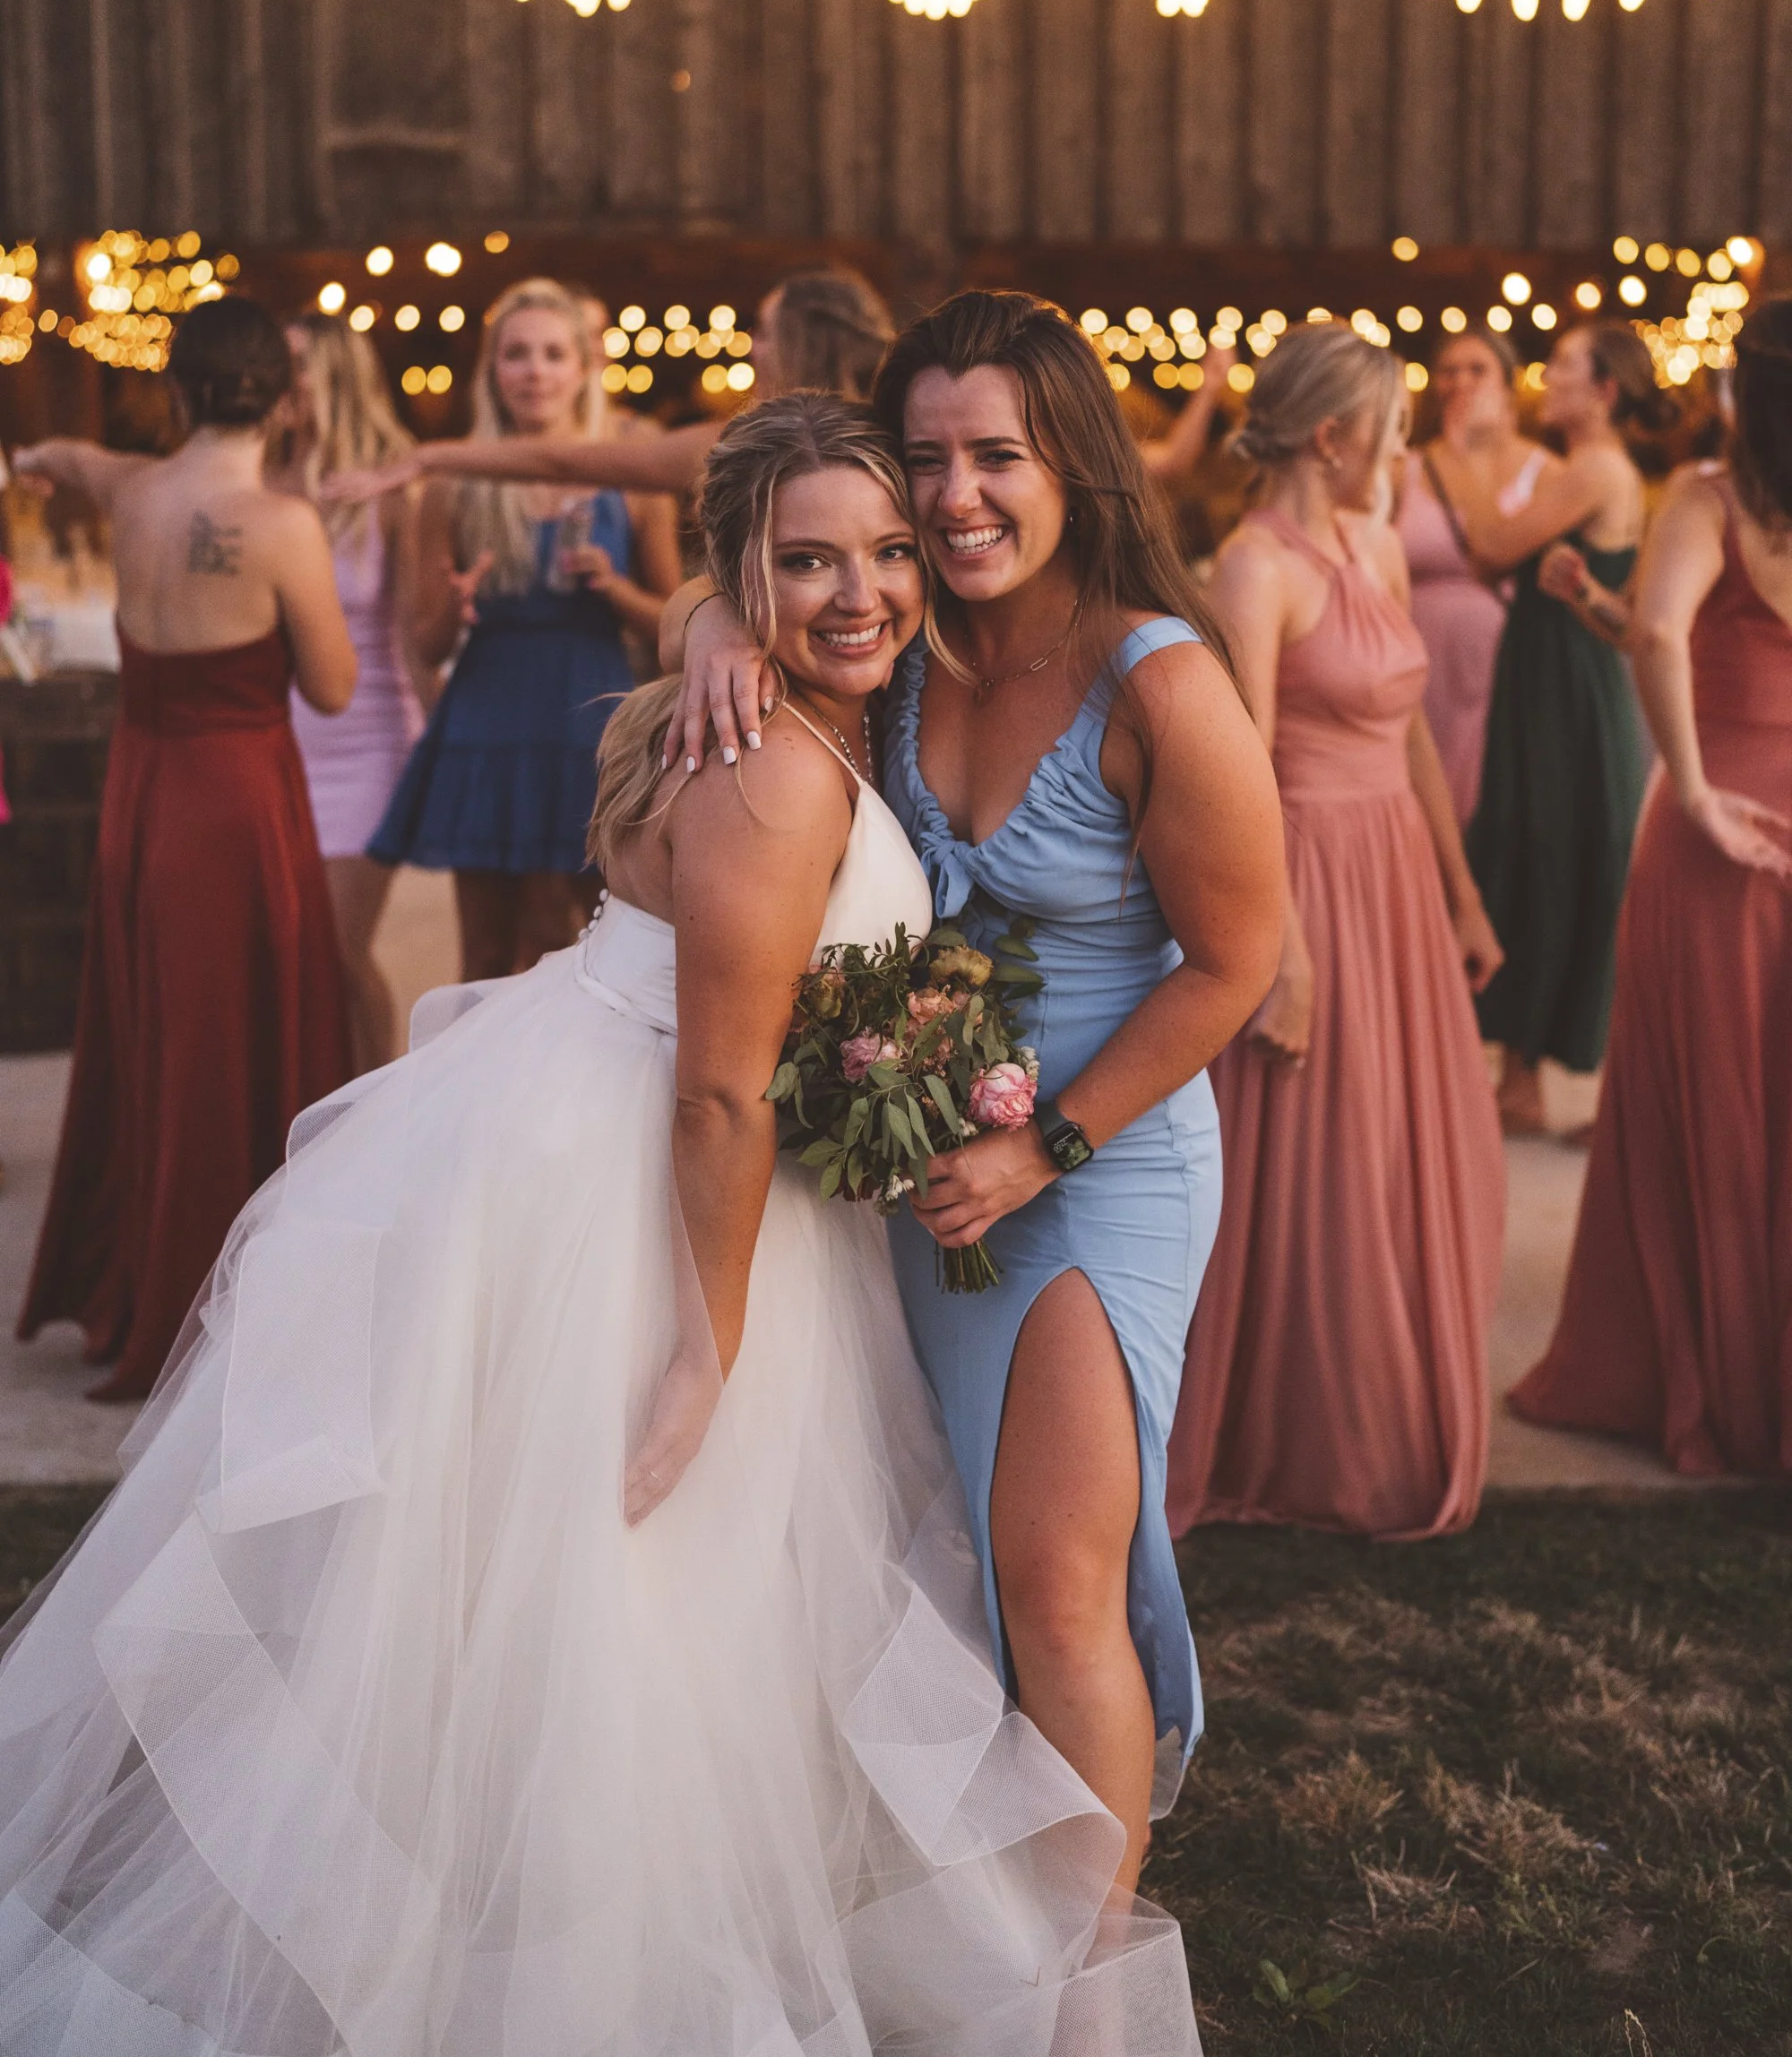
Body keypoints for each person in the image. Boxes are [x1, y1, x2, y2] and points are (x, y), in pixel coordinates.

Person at [0, 396, 1202, 2053]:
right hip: (641, 1189)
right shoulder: (778, 772)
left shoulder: (815, 695)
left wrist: (727, 615)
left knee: (654, 1614)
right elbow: (719, 1096)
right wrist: (707, 1352)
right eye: (806, 565)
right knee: (626, 1602)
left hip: (620, 1127)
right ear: (735, 574)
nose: (861, 594)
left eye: (887, 555)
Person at [670, 291, 1286, 1898]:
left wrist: (1045, 1147)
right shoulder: (904, 658)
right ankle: (1005, 1902)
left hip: (1103, 1163)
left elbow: (1236, 964)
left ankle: (1087, 1994)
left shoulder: (1159, 681)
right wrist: (710, 630)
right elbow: (755, 577)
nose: (955, 498)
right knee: (974, 1569)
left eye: (996, 455)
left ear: (1074, 462)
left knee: (1060, 1582)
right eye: (926, 458)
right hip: (933, 1167)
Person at [1163, 324, 1505, 1539]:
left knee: (1407, 1142)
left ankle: (1390, 1404)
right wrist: (1282, 953)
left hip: (1399, 872)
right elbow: (1240, 777)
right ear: (1333, 438)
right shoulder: (1256, 569)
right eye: (1396, 429)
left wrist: (1461, 896)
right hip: (1306, 869)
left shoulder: (1373, 538)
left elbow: (1409, 726)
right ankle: (1296, 1431)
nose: (1407, 448)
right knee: (1322, 1154)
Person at [13, 297, 354, 1403]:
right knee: (228, 1038)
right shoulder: (279, 522)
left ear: (178, 390)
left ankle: (135, 1269)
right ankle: (218, 1287)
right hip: (235, 801)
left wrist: (37, 456)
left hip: (141, 793)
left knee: (153, 1028)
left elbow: (76, 457)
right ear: (285, 399)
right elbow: (334, 686)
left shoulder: (134, 490)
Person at [1509, 299, 1792, 1476]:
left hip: (1719, 824)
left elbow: (1676, 641)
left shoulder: (1711, 496)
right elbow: (1661, 631)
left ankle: (1708, 1375)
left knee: (1701, 1098)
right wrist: (1597, 605)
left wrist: (1689, 789)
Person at [367, 279, 683, 980]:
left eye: (551, 353)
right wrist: (454, 602)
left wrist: (615, 587)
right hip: (488, 723)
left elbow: (679, 623)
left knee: (595, 939)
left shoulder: (630, 477)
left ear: (582, 369)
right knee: (485, 953)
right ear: (493, 372)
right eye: (516, 354)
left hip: (593, 726)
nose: (534, 370)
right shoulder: (453, 486)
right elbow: (425, 644)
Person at [1436, 321, 1667, 1135]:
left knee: (1541, 854)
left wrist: (1454, 452)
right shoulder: (1595, 471)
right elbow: (1621, 616)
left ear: (1603, 391)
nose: (1548, 378)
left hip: (1560, 698)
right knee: (1543, 856)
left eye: (1565, 367)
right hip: (1564, 683)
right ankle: (1524, 1081)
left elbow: (1491, 549)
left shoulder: (1593, 469)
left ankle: (1526, 1079)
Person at [323, 265, 899, 512]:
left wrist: (428, 456)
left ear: (807, 345)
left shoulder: (902, 439)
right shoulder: (739, 442)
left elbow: (561, 462)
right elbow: (561, 459)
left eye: (767, 333)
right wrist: (431, 457)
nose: (751, 346)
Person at [268, 313, 427, 1072]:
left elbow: (415, 635)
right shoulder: (256, 476)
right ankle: (303, 1099)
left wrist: (438, 750)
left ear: (332, 374)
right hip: (270, 741)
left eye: (291, 363)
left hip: (366, 741)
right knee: (286, 947)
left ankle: (372, 1106)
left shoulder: (393, 482)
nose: (272, 380)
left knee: (337, 945)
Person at [1394, 326, 1549, 823]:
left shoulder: (1546, 471)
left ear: (1508, 384)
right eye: (1448, 371)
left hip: (1509, 664)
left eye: (1477, 369)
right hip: (1421, 664)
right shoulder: (1407, 468)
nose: (1460, 381)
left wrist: (1470, 454)